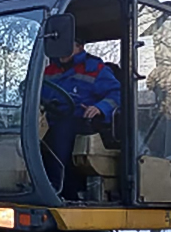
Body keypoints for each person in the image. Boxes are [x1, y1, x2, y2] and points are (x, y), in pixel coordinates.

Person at [40, 38, 122, 196]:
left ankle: (57, 187)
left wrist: (100, 107)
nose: (63, 50)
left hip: (84, 120)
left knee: (60, 132)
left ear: (79, 46)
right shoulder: (49, 71)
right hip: (50, 119)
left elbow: (118, 93)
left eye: (67, 45)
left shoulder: (95, 68)